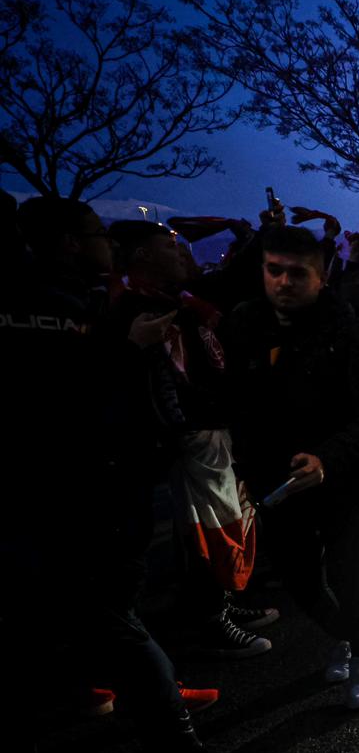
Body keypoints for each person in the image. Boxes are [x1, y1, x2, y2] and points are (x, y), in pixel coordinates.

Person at [0, 197, 216, 753]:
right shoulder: (58, 307)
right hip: (71, 488)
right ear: (71, 243)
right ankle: (179, 751)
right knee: (108, 615)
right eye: (98, 234)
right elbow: (66, 398)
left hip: (95, 483)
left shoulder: (93, 303)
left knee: (97, 611)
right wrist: (126, 353)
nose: (108, 246)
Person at [222, 224, 359, 710]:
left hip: (357, 478)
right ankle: (348, 635)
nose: (283, 282)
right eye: (273, 270)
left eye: (297, 273)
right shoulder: (244, 324)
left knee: (353, 576)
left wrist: (329, 457)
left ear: (320, 278)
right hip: (283, 484)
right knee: (301, 581)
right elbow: (240, 401)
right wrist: (247, 465)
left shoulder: (354, 335)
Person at [106, 220, 278, 656]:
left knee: (227, 519)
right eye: (169, 246)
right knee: (206, 529)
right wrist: (181, 427)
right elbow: (158, 382)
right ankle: (209, 620)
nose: (181, 252)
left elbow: (231, 281)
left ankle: (219, 602)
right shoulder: (133, 308)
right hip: (188, 433)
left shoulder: (183, 302)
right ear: (142, 255)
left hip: (211, 427)